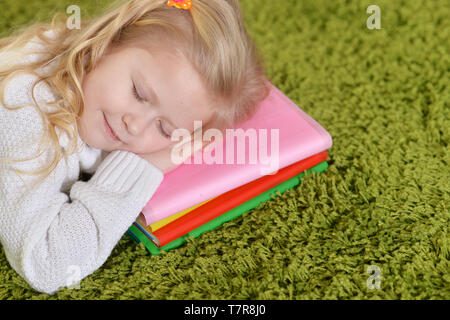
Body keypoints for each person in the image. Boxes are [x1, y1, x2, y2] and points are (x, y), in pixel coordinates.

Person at [0, 0, 270, 294]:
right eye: (139, 94)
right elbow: (47, 264)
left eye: (165, 129)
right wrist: (147, 164)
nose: (135, 125)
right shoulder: (24, 108)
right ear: (109, 41)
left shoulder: (92, 74)